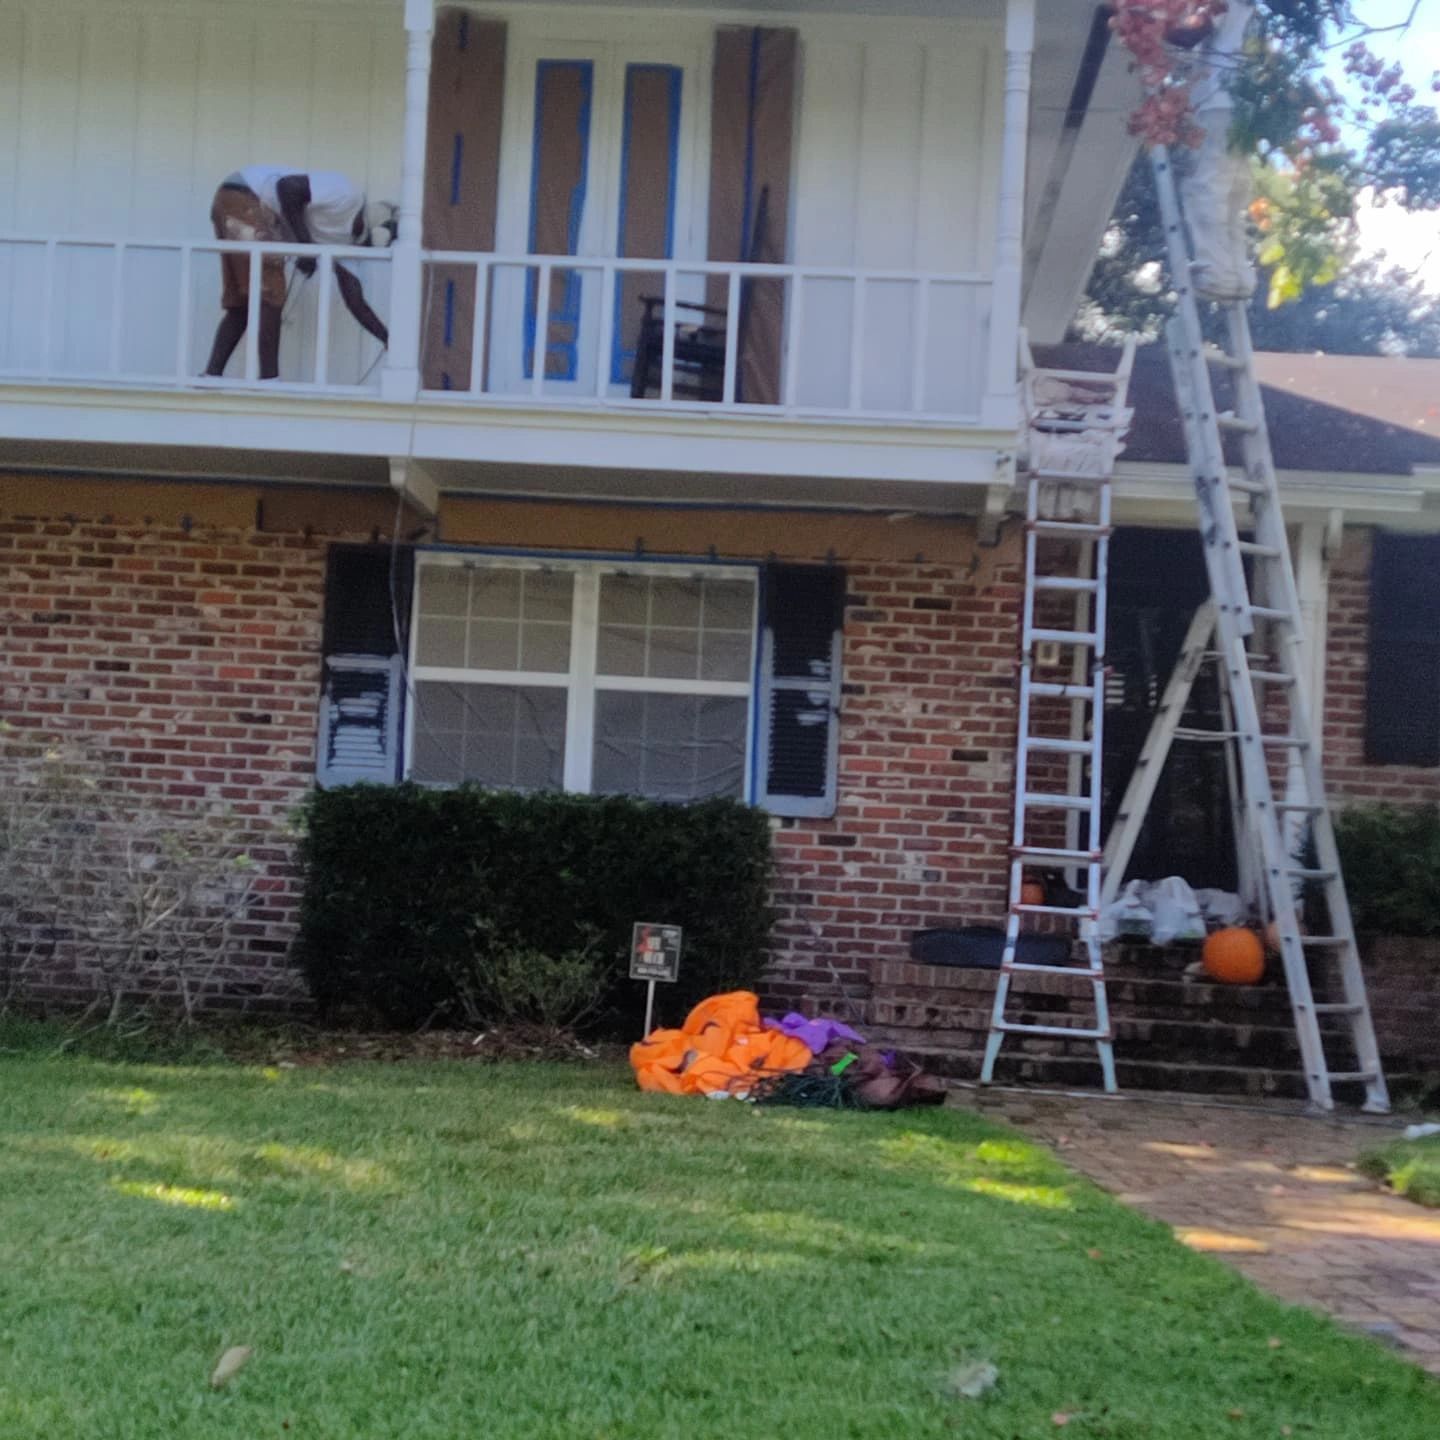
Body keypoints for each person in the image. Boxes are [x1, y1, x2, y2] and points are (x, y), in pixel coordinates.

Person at [204, 167, 396, 380]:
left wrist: (386, 336)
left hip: (232, 201)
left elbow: (354, 297)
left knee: (244, 304)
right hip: (247, 196)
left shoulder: (347, 242)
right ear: (370, 231)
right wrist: (305, 247)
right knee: (270, 293)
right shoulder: (346, 196)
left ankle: (212, 375)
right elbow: (287, 188)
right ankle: (269, 381)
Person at [1167, 1, 1257, 302]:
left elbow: (1191, 33)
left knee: (1205, 187)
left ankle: (1217, 273)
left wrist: (1145, 19)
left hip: (1218, 100)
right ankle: (1239, 275)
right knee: (1231, 194)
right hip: (1244, 108)